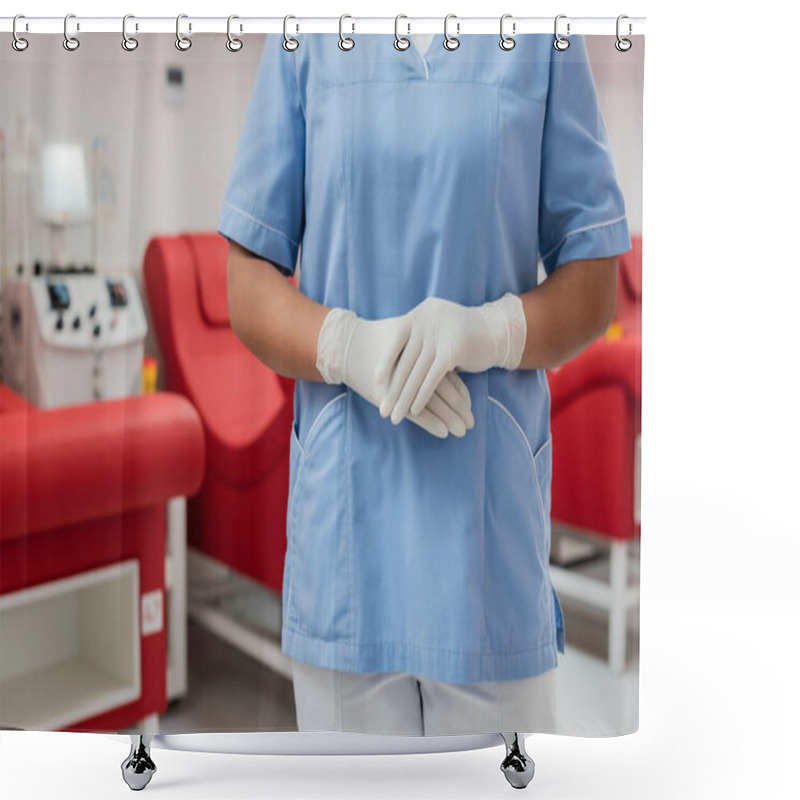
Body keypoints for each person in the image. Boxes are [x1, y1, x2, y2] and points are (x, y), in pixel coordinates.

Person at [219, 29, 630, 737]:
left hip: (486, 542)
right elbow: (249, 286)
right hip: (346, 533)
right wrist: (348, 348)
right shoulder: (308, 35)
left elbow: (595, 283)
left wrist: (492, 330)